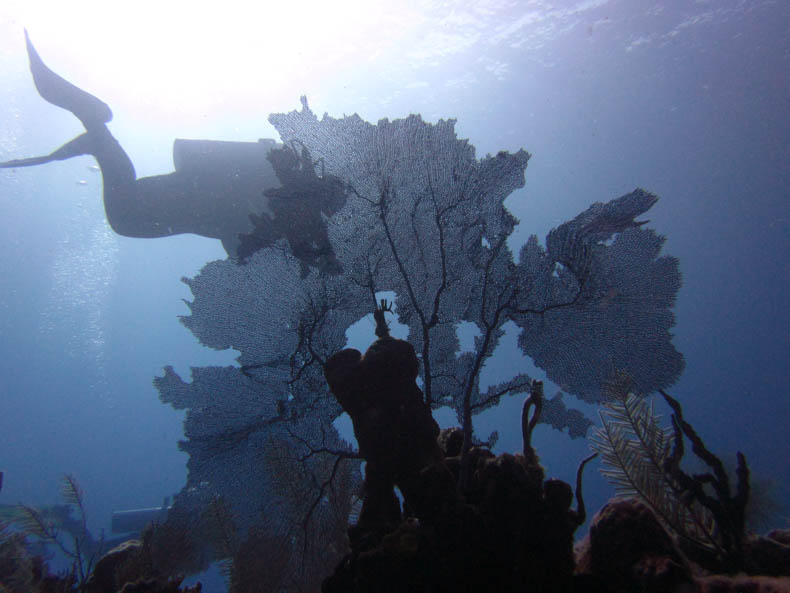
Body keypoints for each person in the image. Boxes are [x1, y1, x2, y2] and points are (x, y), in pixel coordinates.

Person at [0, 31, 283, 258]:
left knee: (126, 213)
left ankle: (97, 132)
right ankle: (98, 135)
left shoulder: (279, 203)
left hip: (195, 195)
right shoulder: (283, 209)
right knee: (126, 216)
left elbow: (239, 242)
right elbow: (242, 241)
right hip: (192, 200)